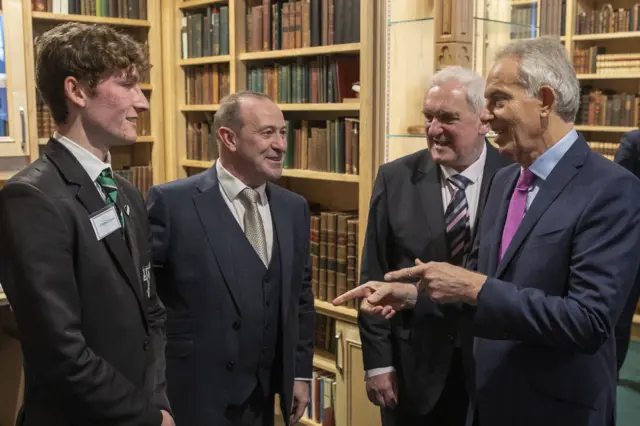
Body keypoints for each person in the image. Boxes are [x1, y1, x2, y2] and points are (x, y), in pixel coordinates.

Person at [334, 36, 640, 426]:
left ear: (544, 100)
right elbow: (478, 291)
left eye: (497, 100)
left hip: (556, 410)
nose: (484, 117)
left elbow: (590, 321)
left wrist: (475, 288)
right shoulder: (506, 181)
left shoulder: (612, 189)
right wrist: (413, 295)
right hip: (487, 402)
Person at [0, 23, 174, 426]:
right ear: (76, 91)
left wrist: (158, 401)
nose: (143, 102)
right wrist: (148, 416)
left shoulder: (127, 193)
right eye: (128, 85)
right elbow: (61, 353)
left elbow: (153, 312)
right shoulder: (31, 198)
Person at [147, 91, 315, 426]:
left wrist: (298, 373)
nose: (281, 145)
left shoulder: (294, 209)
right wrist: (152, 393)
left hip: (263, 399)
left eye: (283, 133)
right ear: (229, 138)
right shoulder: (173, 203)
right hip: (191, 397)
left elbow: (300, 297)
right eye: (267, 133)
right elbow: (144, 305)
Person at [357, 66, 511, 426]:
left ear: (484, 121)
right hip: (414, 374)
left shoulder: (513, 176)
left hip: (492, 368)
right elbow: (373, 275)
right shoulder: (395, 178)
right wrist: (378, 363)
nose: (433, 130)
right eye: (429, 117)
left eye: (448, 118)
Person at [613, 131, 640, 374]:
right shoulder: (634, 143)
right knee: (620, 318)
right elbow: (620, 195)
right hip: (634, 247)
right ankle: (611, 375)